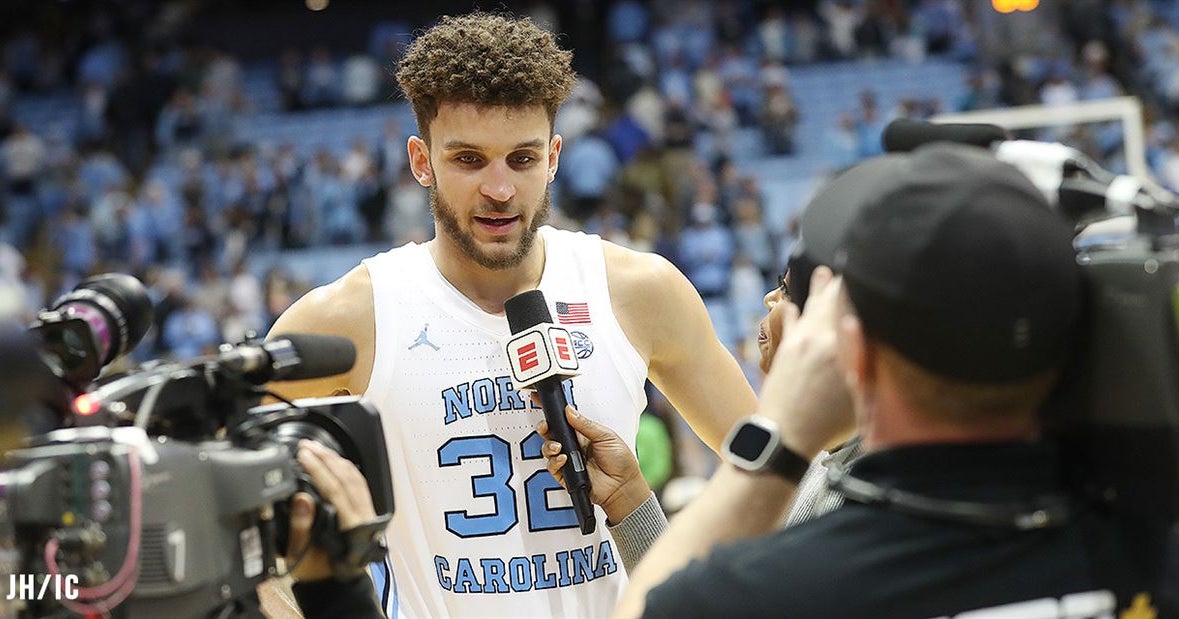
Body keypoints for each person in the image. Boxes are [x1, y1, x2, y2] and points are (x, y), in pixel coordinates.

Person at [265, 12, 757, 618]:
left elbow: (773, 477)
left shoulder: (640, 291)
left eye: (521, 159)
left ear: (553, 156)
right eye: (470, 159)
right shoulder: (350, 315)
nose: (499, 189)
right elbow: (227, 515)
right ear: (422, 161)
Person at [556, 144, 1176, 617]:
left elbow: (661, 604)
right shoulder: (1152, 545)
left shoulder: (786, 592)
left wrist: (780, 437)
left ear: (845, 351)